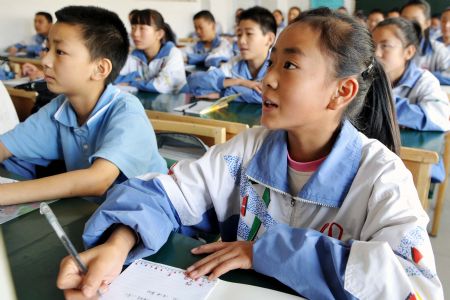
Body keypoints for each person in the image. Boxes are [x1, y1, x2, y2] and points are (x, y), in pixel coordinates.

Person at [57, 8, 443, 300]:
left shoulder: (381, 176)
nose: (267, 78)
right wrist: (116, 245)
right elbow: (163, 193)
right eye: (271, 61)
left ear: (341, 92)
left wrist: (265, 252)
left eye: (289, 65)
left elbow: (415, 286)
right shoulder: (247, 150)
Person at [0, 6, 167, 205]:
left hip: (149, 221)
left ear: (100, 69)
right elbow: (5, 146)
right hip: (94, 216)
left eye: (59, 51)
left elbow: (97, 181)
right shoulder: (61, 108)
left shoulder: (127, 112)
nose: (45, 60)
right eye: (47, 48)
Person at [373, 18, 449, 131]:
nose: (376, 53)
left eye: (385, 46)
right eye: (373, 46)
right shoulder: (365, 78)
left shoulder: (425, 82)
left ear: (409, 52)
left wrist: (379, 101)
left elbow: (439, 119)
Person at [187, 6, 275, 103]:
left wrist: (223, 93)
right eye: (239, 34)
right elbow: (193, 82)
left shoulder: (279, 67)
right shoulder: (235, 63)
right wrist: (240, 82)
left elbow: (270, 98)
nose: (241, 41)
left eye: (249, 34)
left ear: (269, 39)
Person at [114, 9, 186, 93]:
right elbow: (115, 77)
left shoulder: (173, 54)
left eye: (142, 28)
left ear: (159, 34)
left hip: (175, 103)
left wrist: (132, 82)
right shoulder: (134, 55)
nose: (135, 34)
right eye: (133, 28)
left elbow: (161, 86)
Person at [401, 0, 450, 85]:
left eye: (414, 20)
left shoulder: (439, 49)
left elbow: (448, 76)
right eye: (404, 19)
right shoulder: (392, 48)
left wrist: (419, 76)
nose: (408, 24)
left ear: (427, 23)